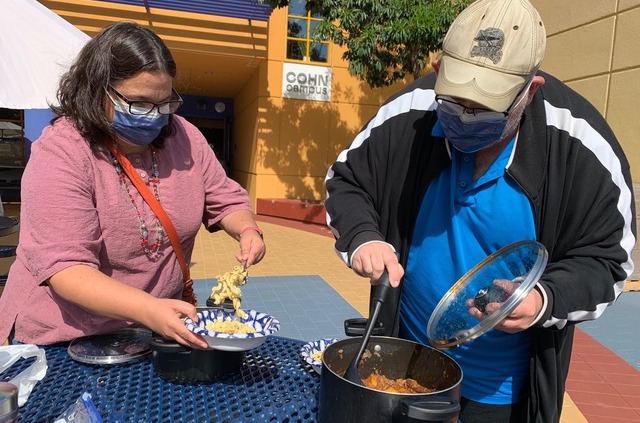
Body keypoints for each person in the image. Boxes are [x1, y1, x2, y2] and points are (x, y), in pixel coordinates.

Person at [324, 0, 636, 422]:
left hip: (502, 394)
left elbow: (608, 262)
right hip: (404, 366)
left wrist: (544, 298)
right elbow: (346, 182)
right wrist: (363, 235)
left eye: (486, 109)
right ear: (438, 70)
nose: (466, 118)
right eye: (453, 102)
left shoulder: (581, 145)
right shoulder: (408, 112)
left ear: (531, 89)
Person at [0, 22, 265, 349]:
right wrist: (149, 309)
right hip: (62, 338)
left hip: (147, 334)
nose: (154, 117)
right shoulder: (62, 152)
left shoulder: (184, 137)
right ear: (98, 90)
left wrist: (247, 229)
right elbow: (67, 270)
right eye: (139, 104)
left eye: (164, 104)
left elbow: (224, 198)